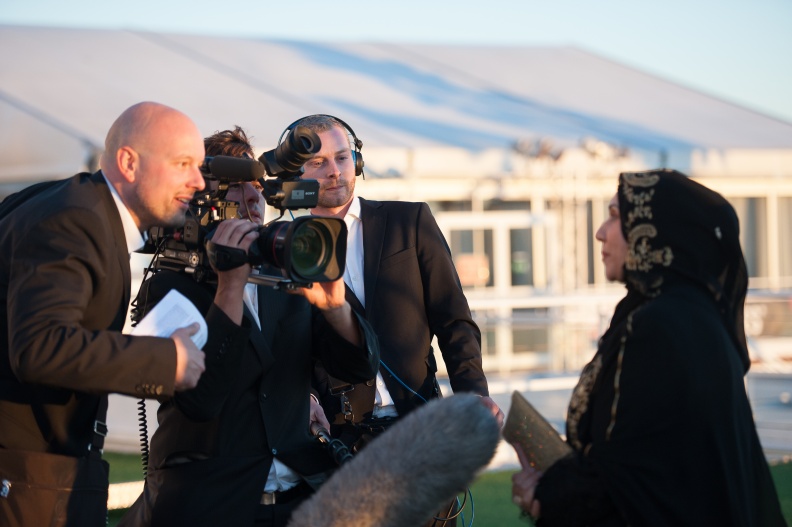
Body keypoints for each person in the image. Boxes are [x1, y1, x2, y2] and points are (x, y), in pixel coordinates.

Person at [120, 126, 379, 527]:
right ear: (202, 201)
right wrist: (229, 287)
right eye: (234, 189)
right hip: (211, 504)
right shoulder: (168, 286)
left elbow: (357, 369)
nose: (251, 199)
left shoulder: (285, 272)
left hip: (298, 498)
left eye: (256, 186)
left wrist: (336, 308)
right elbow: (201, 401)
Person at [510, 169, 786, 526]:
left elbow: (628, 487)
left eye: (614, 216)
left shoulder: (656, 328)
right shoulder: (689, 315)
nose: (599, 233)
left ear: (654, 232)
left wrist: (547, 493)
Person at [0, 101, 208, 526]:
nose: (198, 182)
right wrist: (167, 360)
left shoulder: (71, 203)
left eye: (199, 166)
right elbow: (39, 346)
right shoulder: (75, 219)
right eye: (183, 163)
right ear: (128, 162)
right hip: (25, 483)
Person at [293, 114, 503, 526]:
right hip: (338, 446)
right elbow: (285, 350)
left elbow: (455, 320)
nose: (334, 170)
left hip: (422, 429)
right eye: (318, 162)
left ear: (358, 160)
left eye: (342, 157)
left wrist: (473, 393)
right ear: (294, 172)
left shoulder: (410, 221)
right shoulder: (284, 248)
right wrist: (307, 400)